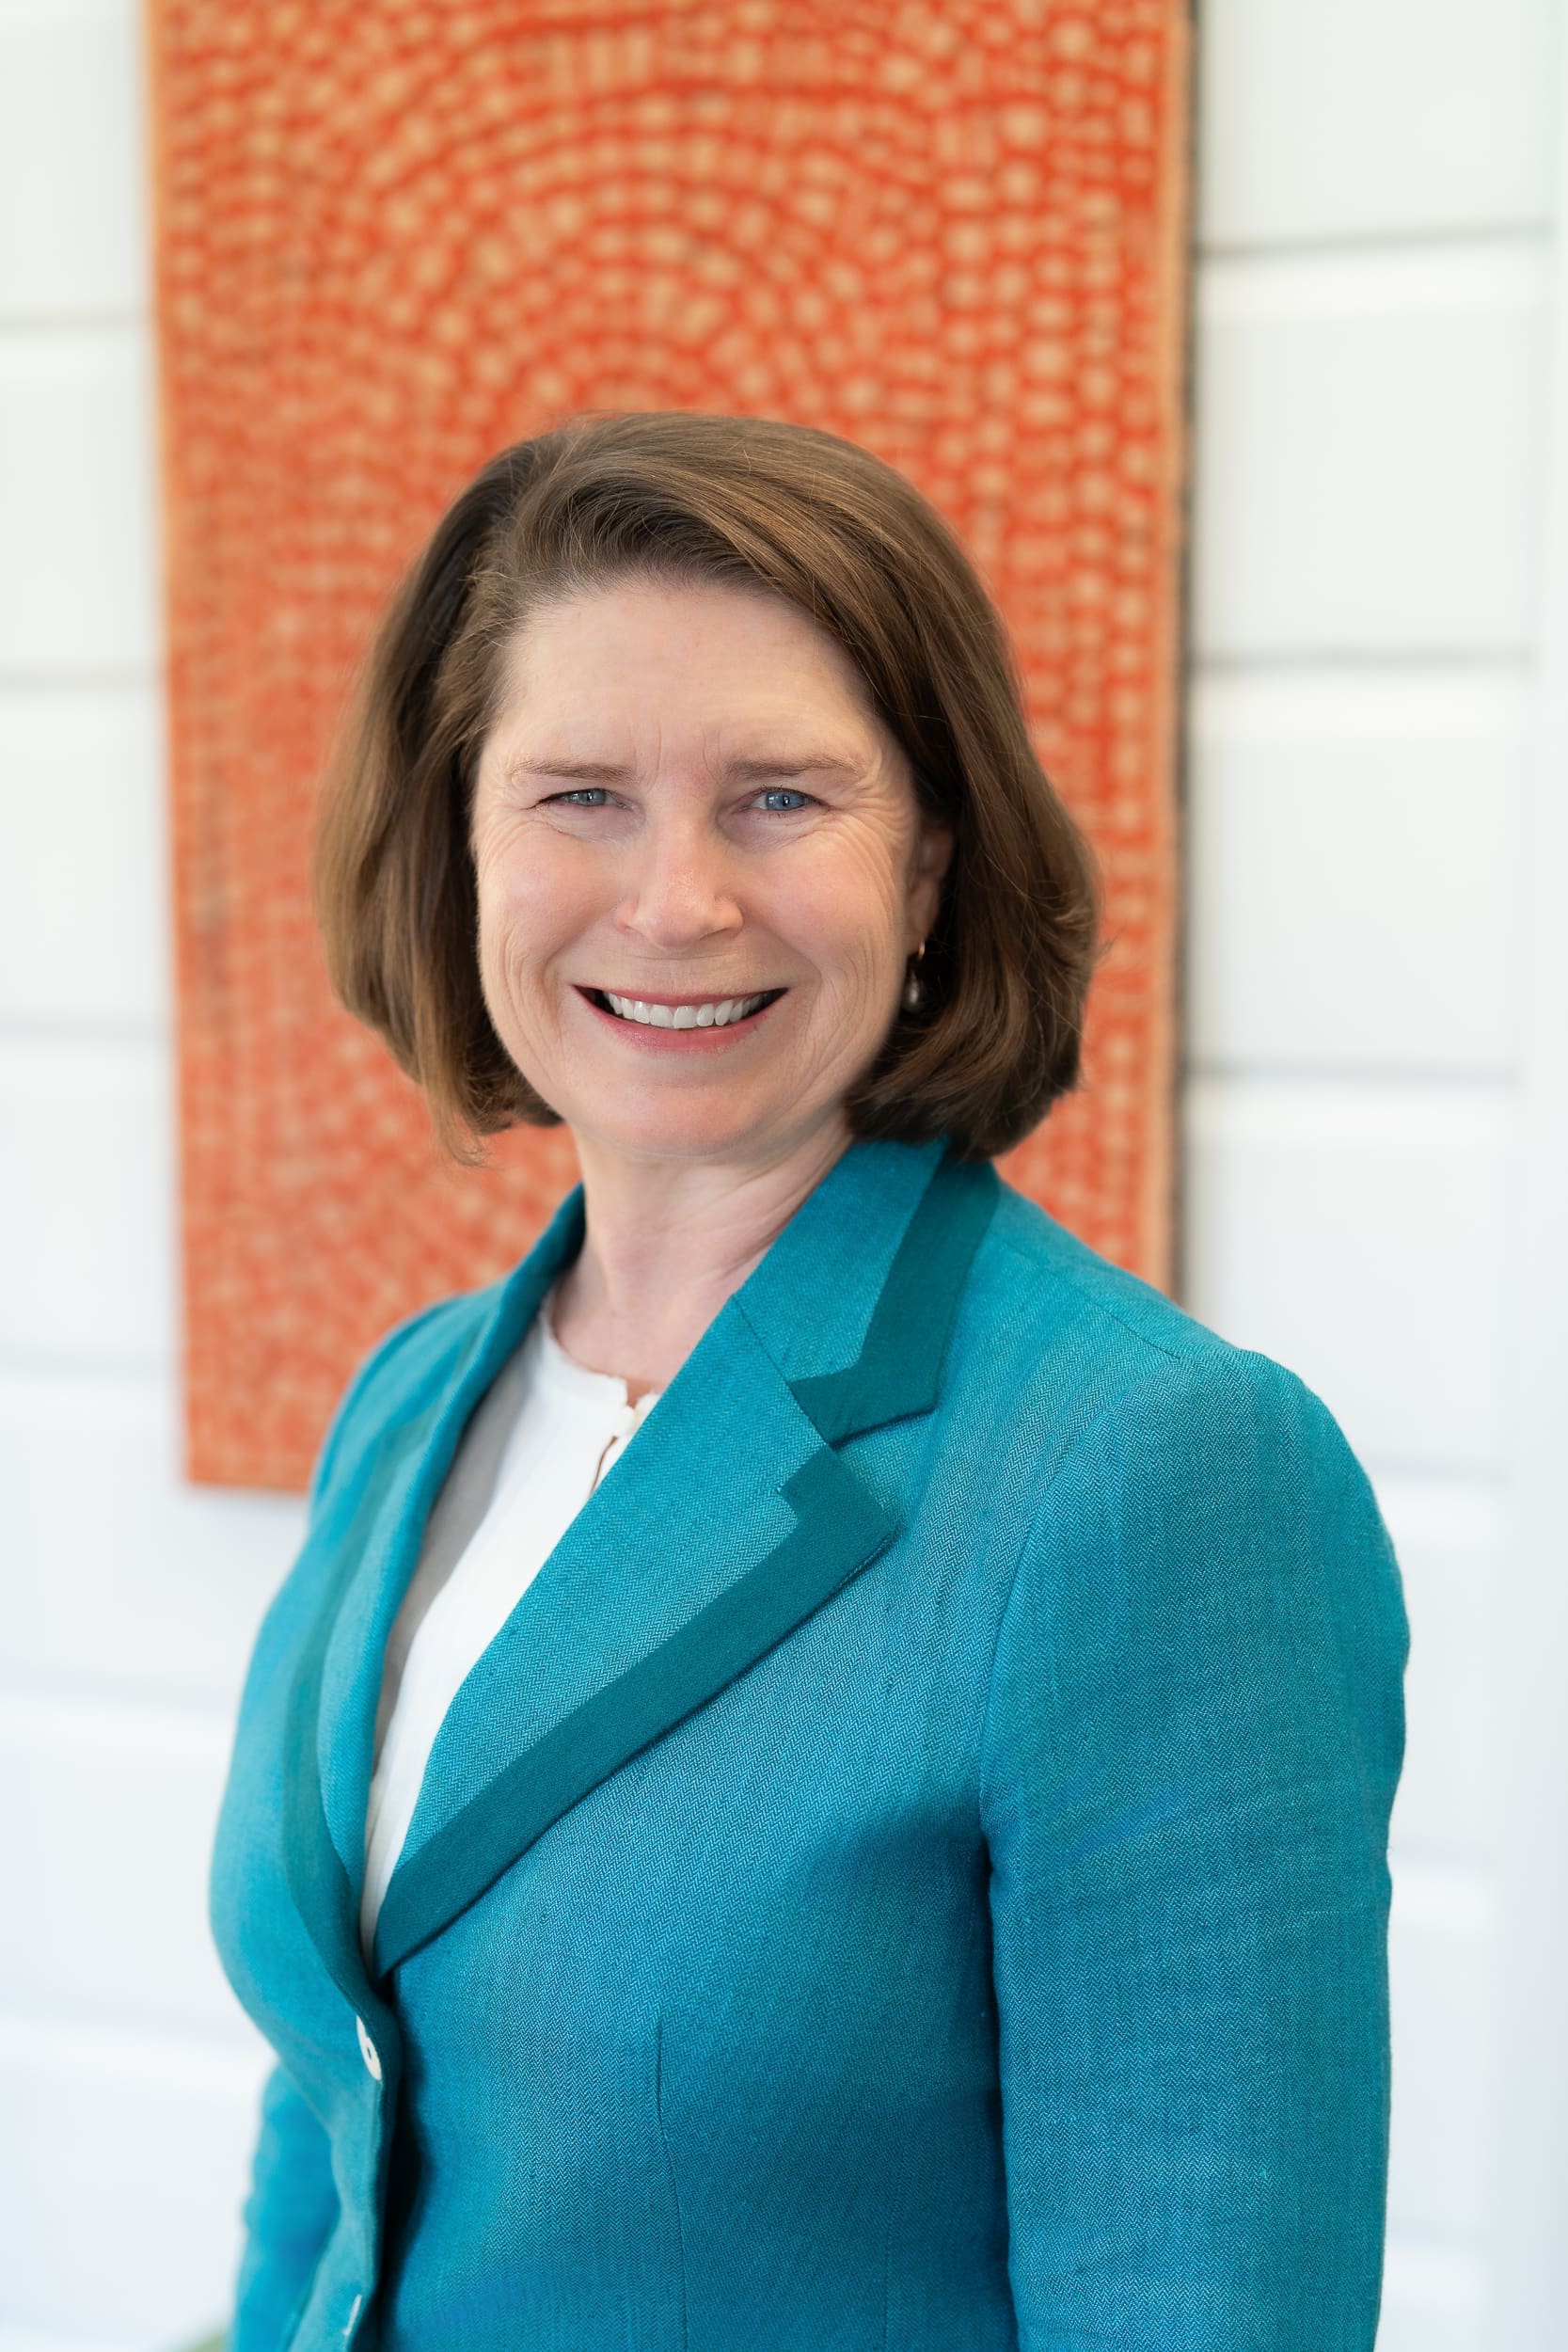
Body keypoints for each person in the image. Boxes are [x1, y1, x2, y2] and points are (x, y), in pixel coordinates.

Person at [209, 409, 1407, 2352]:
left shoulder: (1154, 1469)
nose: (676, 898)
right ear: (457, 838)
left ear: (929, 862)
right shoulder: (413, 1398)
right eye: (579, 791)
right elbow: (343, 2097)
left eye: (779, 796)